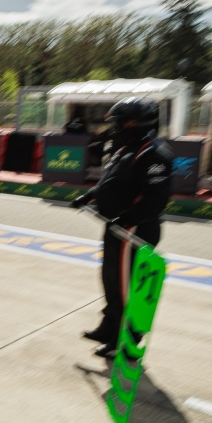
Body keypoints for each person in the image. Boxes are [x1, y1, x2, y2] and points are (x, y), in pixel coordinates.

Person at [71, 97, 174, 358]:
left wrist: (129, 218)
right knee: (111, 282)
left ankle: (128, 342)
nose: (114, 126)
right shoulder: (126, 146)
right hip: (117, 228)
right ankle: (109, 328)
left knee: (128, 288)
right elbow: (113, 181)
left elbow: (156, 198)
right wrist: (91, 195)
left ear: (134, 122)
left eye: (119, 121)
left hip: (134, 231)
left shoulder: (154, 153)